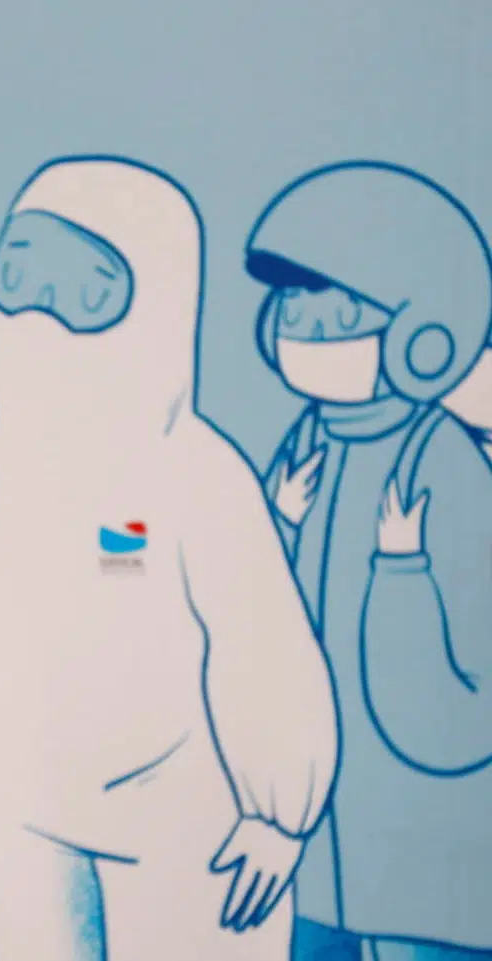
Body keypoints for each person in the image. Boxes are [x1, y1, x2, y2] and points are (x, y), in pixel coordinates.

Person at [0, 156, 339, 960]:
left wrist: (279, 812)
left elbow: (261, 645)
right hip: (25, 811)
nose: (39, 312)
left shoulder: (198, 469)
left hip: (189, 830)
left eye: (82, 291)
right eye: (18, 278)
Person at [247, 162, 492, 961]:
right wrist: (278, 527)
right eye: (295, 313)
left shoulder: (442, 455)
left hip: (421, 838)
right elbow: (265, 614)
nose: (308, 335)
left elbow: (462, 696)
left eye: (342, 316)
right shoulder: (308, 441)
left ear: (424, 333)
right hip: (317, 829)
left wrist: (401, 569)